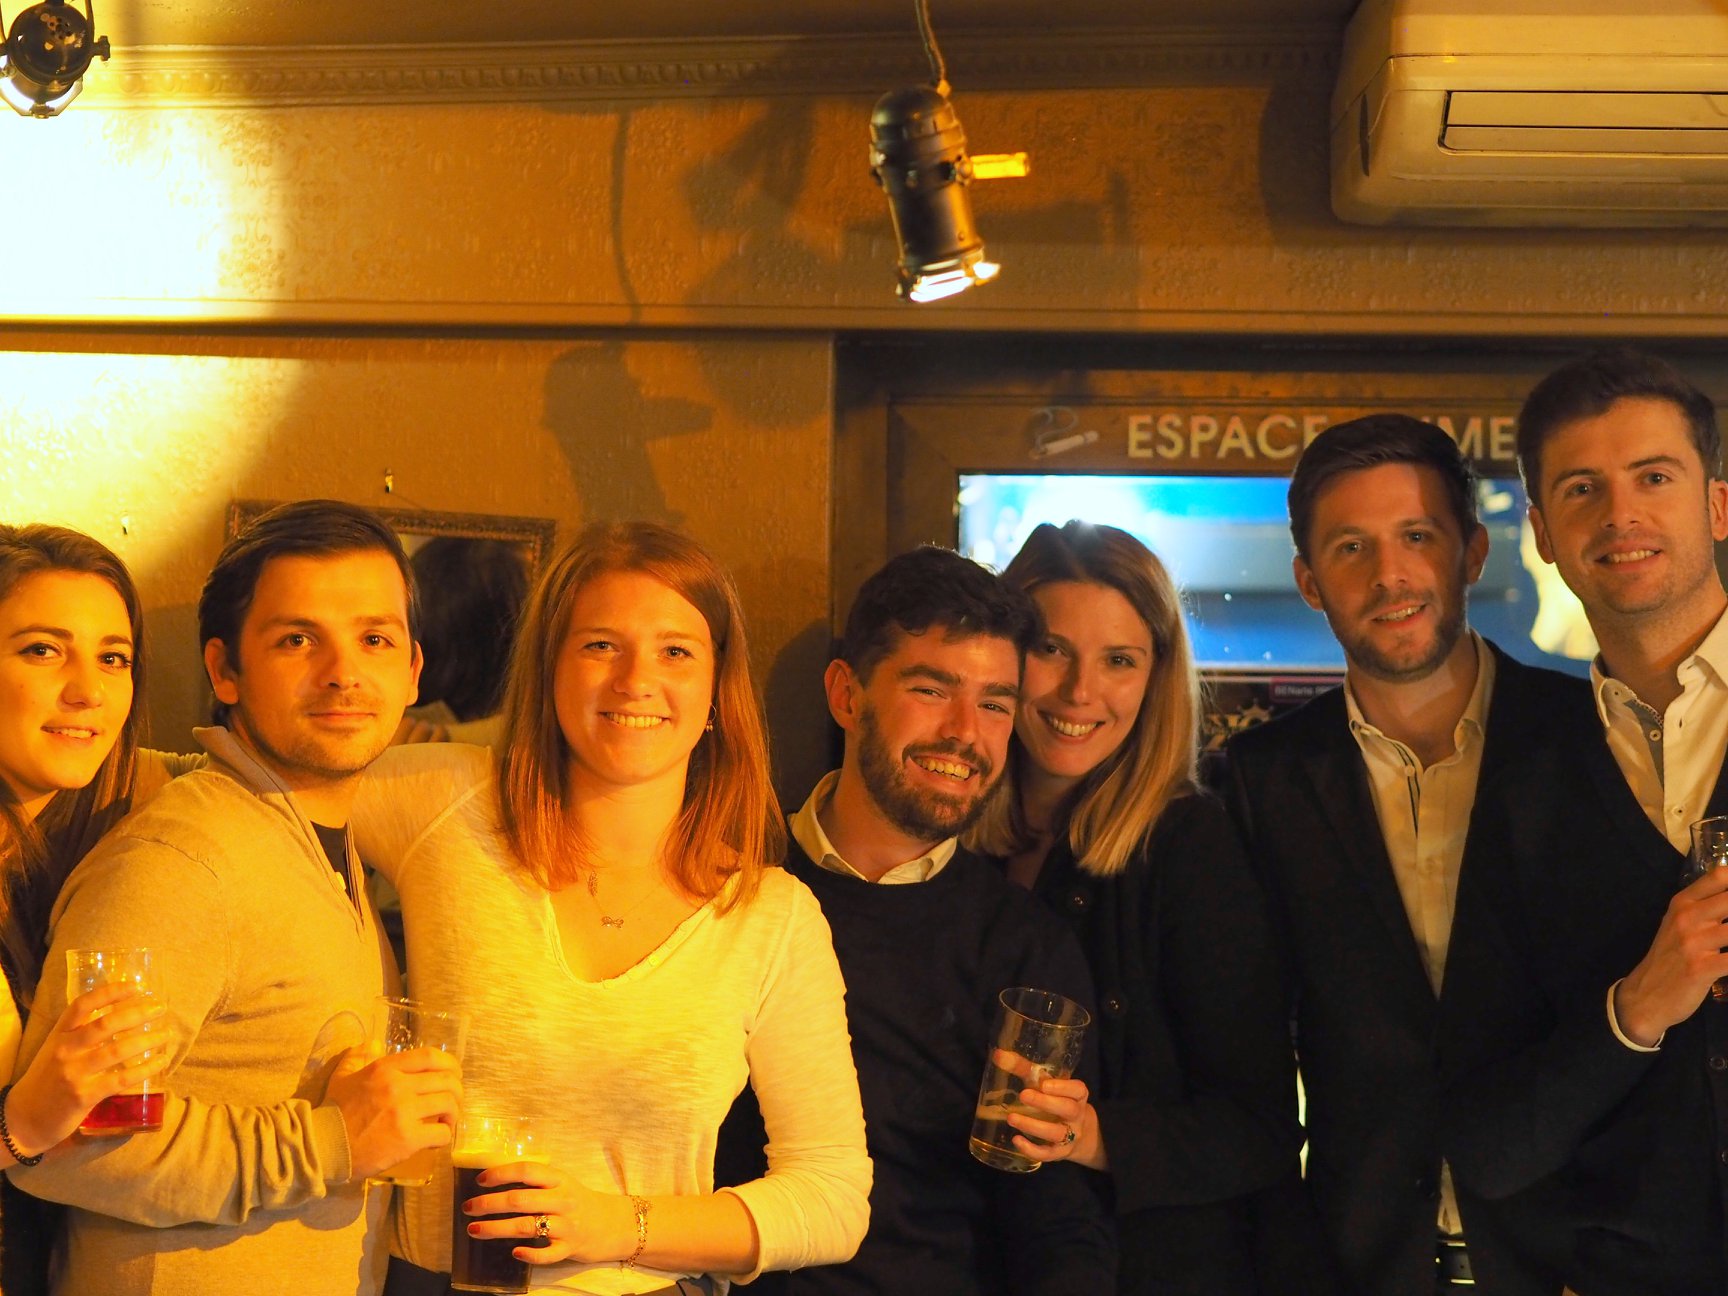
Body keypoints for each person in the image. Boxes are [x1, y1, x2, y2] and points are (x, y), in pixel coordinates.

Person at [353, 520, 871, 1296]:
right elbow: (245, 790)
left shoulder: (771, 916)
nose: (635, 680)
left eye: (675, 652)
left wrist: (616, 1224)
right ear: (550, 670)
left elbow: (832, 1197)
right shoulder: (445, 804)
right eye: (601, 645)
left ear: (715, 694)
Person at [12, 500, 463, 1296]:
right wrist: (331, 1141)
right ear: (224, 671)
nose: (345, 673)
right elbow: (72, 1152)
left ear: (414, 670)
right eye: (298, 639)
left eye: (375, 640)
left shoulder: (313, 839)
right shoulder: (183, 860)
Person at [1218, 415, 1581, 1296]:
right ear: (1309, 582)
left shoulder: (1586, 740)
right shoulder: (1256, 781)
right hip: (1354, 1263)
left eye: (1417, 536)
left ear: (1472, 553)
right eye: (1352, 547)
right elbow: (1244, 1063)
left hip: (1571, 1258)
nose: (1389, 575)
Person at [716, 545, 1115, 1295]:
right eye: (932, 690)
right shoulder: (720, 885)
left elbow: (1055, 1217)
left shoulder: (1022, 945)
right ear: (847, 695)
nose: (965, 733)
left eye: (994, 704)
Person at [1439, 348, 1728, 1295]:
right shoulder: (1521, 786)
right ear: (1543, 535)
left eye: (1654, 477)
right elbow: (1490, 1142)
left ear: (1718, 506)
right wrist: (1636, 1007)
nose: (1619, 514)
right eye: (1581, 490)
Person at [967, 520, 1315, 1295]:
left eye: (1118, 660)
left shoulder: (1189, 848)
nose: (1079, 691)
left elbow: (1259, 1130)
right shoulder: (948, 836)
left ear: (1156, 678)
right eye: (1051, 649)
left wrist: (1095, 1135)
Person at [0, 525, 184, 1294]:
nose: (88, 691)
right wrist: (23, 1124)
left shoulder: (139, 802)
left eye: (113, 658)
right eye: (43, 650)